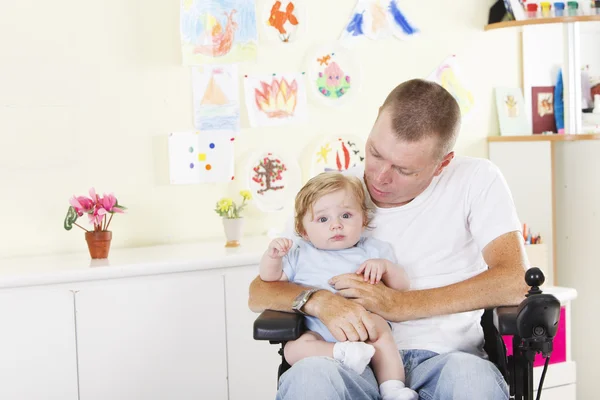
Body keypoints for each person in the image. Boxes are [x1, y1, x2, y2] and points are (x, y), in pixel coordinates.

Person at [248, 78, 529, 400]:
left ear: (443, 164)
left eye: (405, 170)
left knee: (472, 380)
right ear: (376, 118)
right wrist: (320, 301)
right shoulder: (334, 195)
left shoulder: (476, 179)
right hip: (347, 358)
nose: (380, 177)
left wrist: (401, 304)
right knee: (310, 376)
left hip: (446, 359)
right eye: (375, 153)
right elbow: (259, 291)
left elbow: (516, 281)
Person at [259, 172, 417, 400]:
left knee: (381, 330)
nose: (336, 225)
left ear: (363, 220)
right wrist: (273, 257)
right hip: (316, 329)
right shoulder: (300, 254)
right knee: (293, 349)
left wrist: (384, 267)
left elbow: (402, 286)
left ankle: (392, 387)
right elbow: (271, 279)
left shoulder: (373, 250)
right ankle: (340, 353)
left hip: (364, 328)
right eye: (323, 219)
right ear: (303, 231)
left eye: (345, 215)